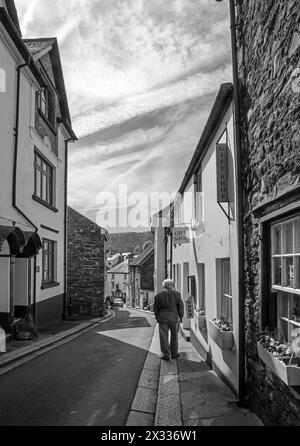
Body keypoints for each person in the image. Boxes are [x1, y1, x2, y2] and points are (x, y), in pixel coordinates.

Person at [153, 279, 184, 361]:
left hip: (162, 318)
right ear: (172, 286)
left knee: (163, 337)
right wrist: (180, 315)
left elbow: (155, 308)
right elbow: (181, 306)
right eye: (173, 285)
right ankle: (174, 354)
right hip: (174, 318)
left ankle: (166, 355)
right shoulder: (176, 294)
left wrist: (157, 316)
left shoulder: (158, 296)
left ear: (164, 286)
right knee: (174, 336)